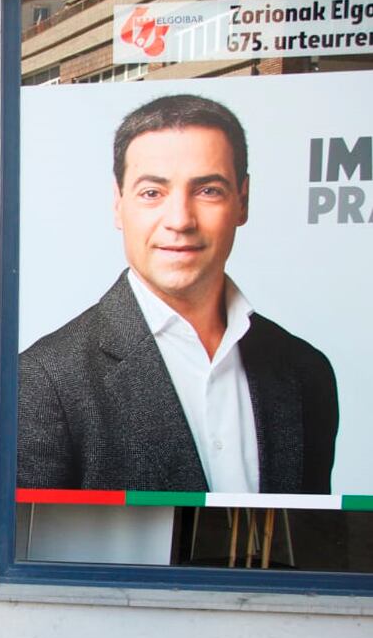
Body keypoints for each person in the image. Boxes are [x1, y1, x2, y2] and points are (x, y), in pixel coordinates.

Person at [18, 94, 338, 495]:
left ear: (243, 200)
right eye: (152, 193)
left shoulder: (307, 371)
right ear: (119, 206)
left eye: (208, 191)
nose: (180, 220)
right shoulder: (44, 382)